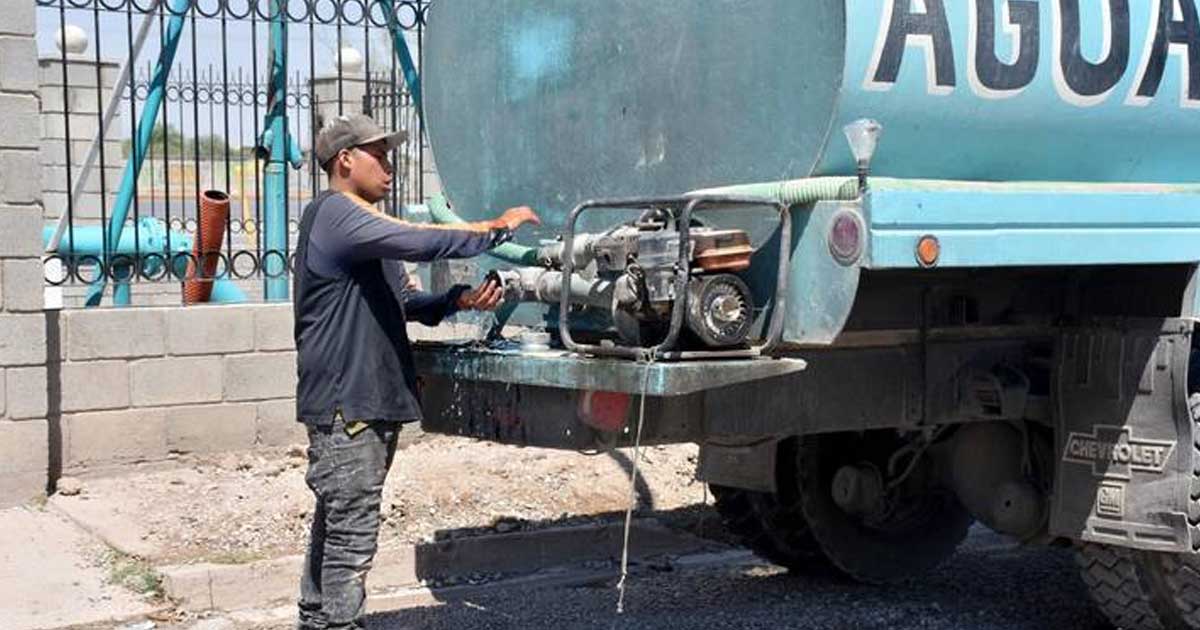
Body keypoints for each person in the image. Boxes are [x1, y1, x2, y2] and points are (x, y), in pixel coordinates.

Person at [292, 114, 540, 629]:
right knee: (352, 533)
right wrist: (495, 227)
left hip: (367, 401)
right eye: (378, 155)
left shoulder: (366, 237)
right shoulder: (336, 215)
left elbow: (404, 300)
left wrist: (456, 299)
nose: (390, 166)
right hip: (348, 406)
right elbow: (424, 239)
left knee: (337, 525)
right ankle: (338, 625)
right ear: (345, 161)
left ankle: (316, 621)